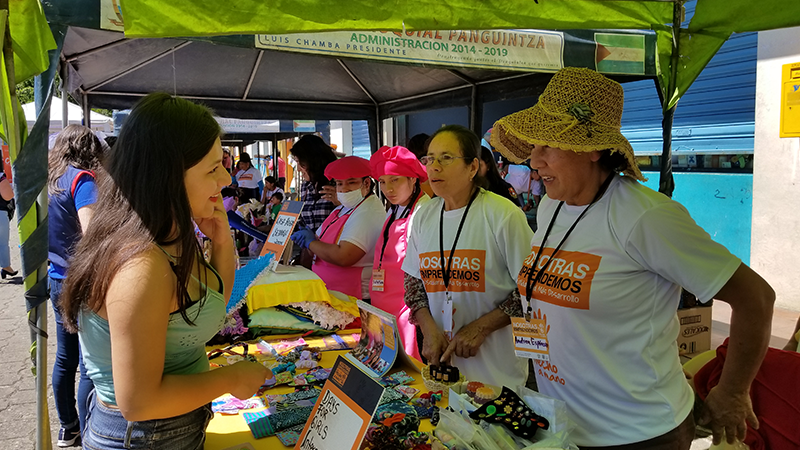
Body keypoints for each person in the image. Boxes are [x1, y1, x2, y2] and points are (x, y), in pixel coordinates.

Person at [491, 67, 775, 449]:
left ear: (591, 148)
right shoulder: (551, 207)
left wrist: (733, 391)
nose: (534, 160)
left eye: (547, 145)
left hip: (639, 434)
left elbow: (756, 297)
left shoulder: (646, 218)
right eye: (534, 146)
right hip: (566, 425)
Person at [60, 93, 272, 450]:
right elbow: (138, 402)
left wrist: (222, 242)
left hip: (169, 429)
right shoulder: (140, 266)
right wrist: (230, 379)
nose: (225, 178)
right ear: (168, 177)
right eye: (212, 169)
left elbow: (212, 304)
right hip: (146, 436)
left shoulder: (170, 235)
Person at [402, 124, 533, 388]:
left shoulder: (503, 215)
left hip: (496, 375)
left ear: (472, 167)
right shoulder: (424, 216)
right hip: (442, 371)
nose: (434, 167)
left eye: (446, 158)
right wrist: (428, 329)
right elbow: (414, 282)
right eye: (429, 159)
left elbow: (533, 289)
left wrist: (481, 327)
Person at [47, 125, 105, 447]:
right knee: (87, 364)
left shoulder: (50, 180)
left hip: (55, 277)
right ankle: (87, 429)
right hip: (80, 281)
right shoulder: (82, 179)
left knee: (64, 358)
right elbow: (91, 232)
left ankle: (68, 427)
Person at [291, 156, 384, 300]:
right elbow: (319, 241)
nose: (344, 189)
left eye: (351, 182)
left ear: (366, 183)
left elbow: (344, 256)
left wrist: (311, 243)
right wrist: (310, 243)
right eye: (339, 183)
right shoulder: (342, 208)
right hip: (331, 295)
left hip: (352, 298)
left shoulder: (369, 211)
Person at [369, 145, 431, 360]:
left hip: (407, 309)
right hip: (383, 305)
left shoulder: (423, 210)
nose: (388, 189)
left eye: (395, 180)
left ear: (413, 179)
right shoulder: (394, 209)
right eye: (382, 182)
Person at [290, 135, 338, 234]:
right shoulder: (305, 187)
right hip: (310, 244)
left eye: (299, 162)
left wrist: (340, 203)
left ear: (313, 161)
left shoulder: (337, 184)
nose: (298, 169)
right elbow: (303, 222)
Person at [0, 170, 16, 279]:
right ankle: (6, 267)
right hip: (0, 213)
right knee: (2, 243)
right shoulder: (0, 177)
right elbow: (8, 196)